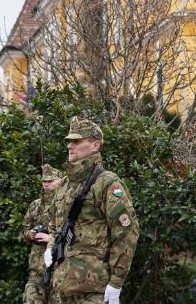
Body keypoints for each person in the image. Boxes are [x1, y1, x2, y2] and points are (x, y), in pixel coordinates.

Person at [45, 117, 139, 304]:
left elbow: (127, 233)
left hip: (94, 291)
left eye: (77, 141)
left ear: (95, 145)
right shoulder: (64, 184)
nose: (70, 145)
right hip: (62, 288)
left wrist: (117, 281)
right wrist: (50, 247)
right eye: (69, 141)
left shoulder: (106, 183)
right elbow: (54, 223)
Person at [22, 163, 64, 303]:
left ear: (60, 180)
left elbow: (74, 233)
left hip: (59, 269)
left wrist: (50, 238)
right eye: (44, 181)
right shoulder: (35, 205)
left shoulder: (65, 205)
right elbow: (25, 228)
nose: (46, 184)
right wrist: (30, 234)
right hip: (36, 268)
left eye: (50, 181)